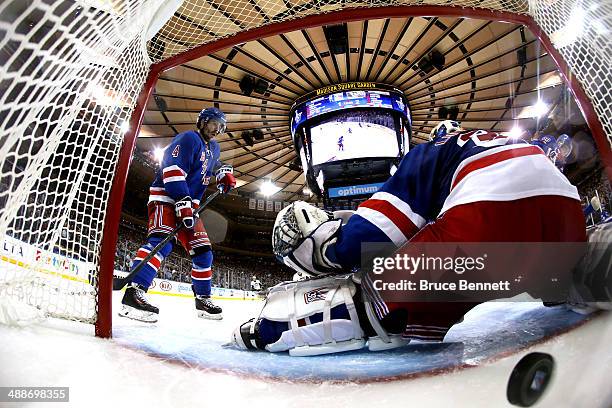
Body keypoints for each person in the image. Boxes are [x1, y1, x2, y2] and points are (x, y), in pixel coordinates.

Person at [229, 125, 588, 355]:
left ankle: (268, 331)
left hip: (490, 214)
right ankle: (574, 277)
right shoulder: (489, 141)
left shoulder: (430, 153)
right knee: (561, 273)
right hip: (569, 217)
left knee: (375, 297)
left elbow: (378, 229)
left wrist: (332, 251)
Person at [119, 107, 236, 323]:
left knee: (203, 253)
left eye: (221, 127)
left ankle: (202, 299)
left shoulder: (214, 148)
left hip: (190, 205)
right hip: (166, 197)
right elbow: (171, 169)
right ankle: (134, 294)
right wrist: (182, 203)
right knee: (161, 243)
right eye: (214, 124)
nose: (217, 130)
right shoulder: (189, 138)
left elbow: (213, 164)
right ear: (202, 121)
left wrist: (223, 172)